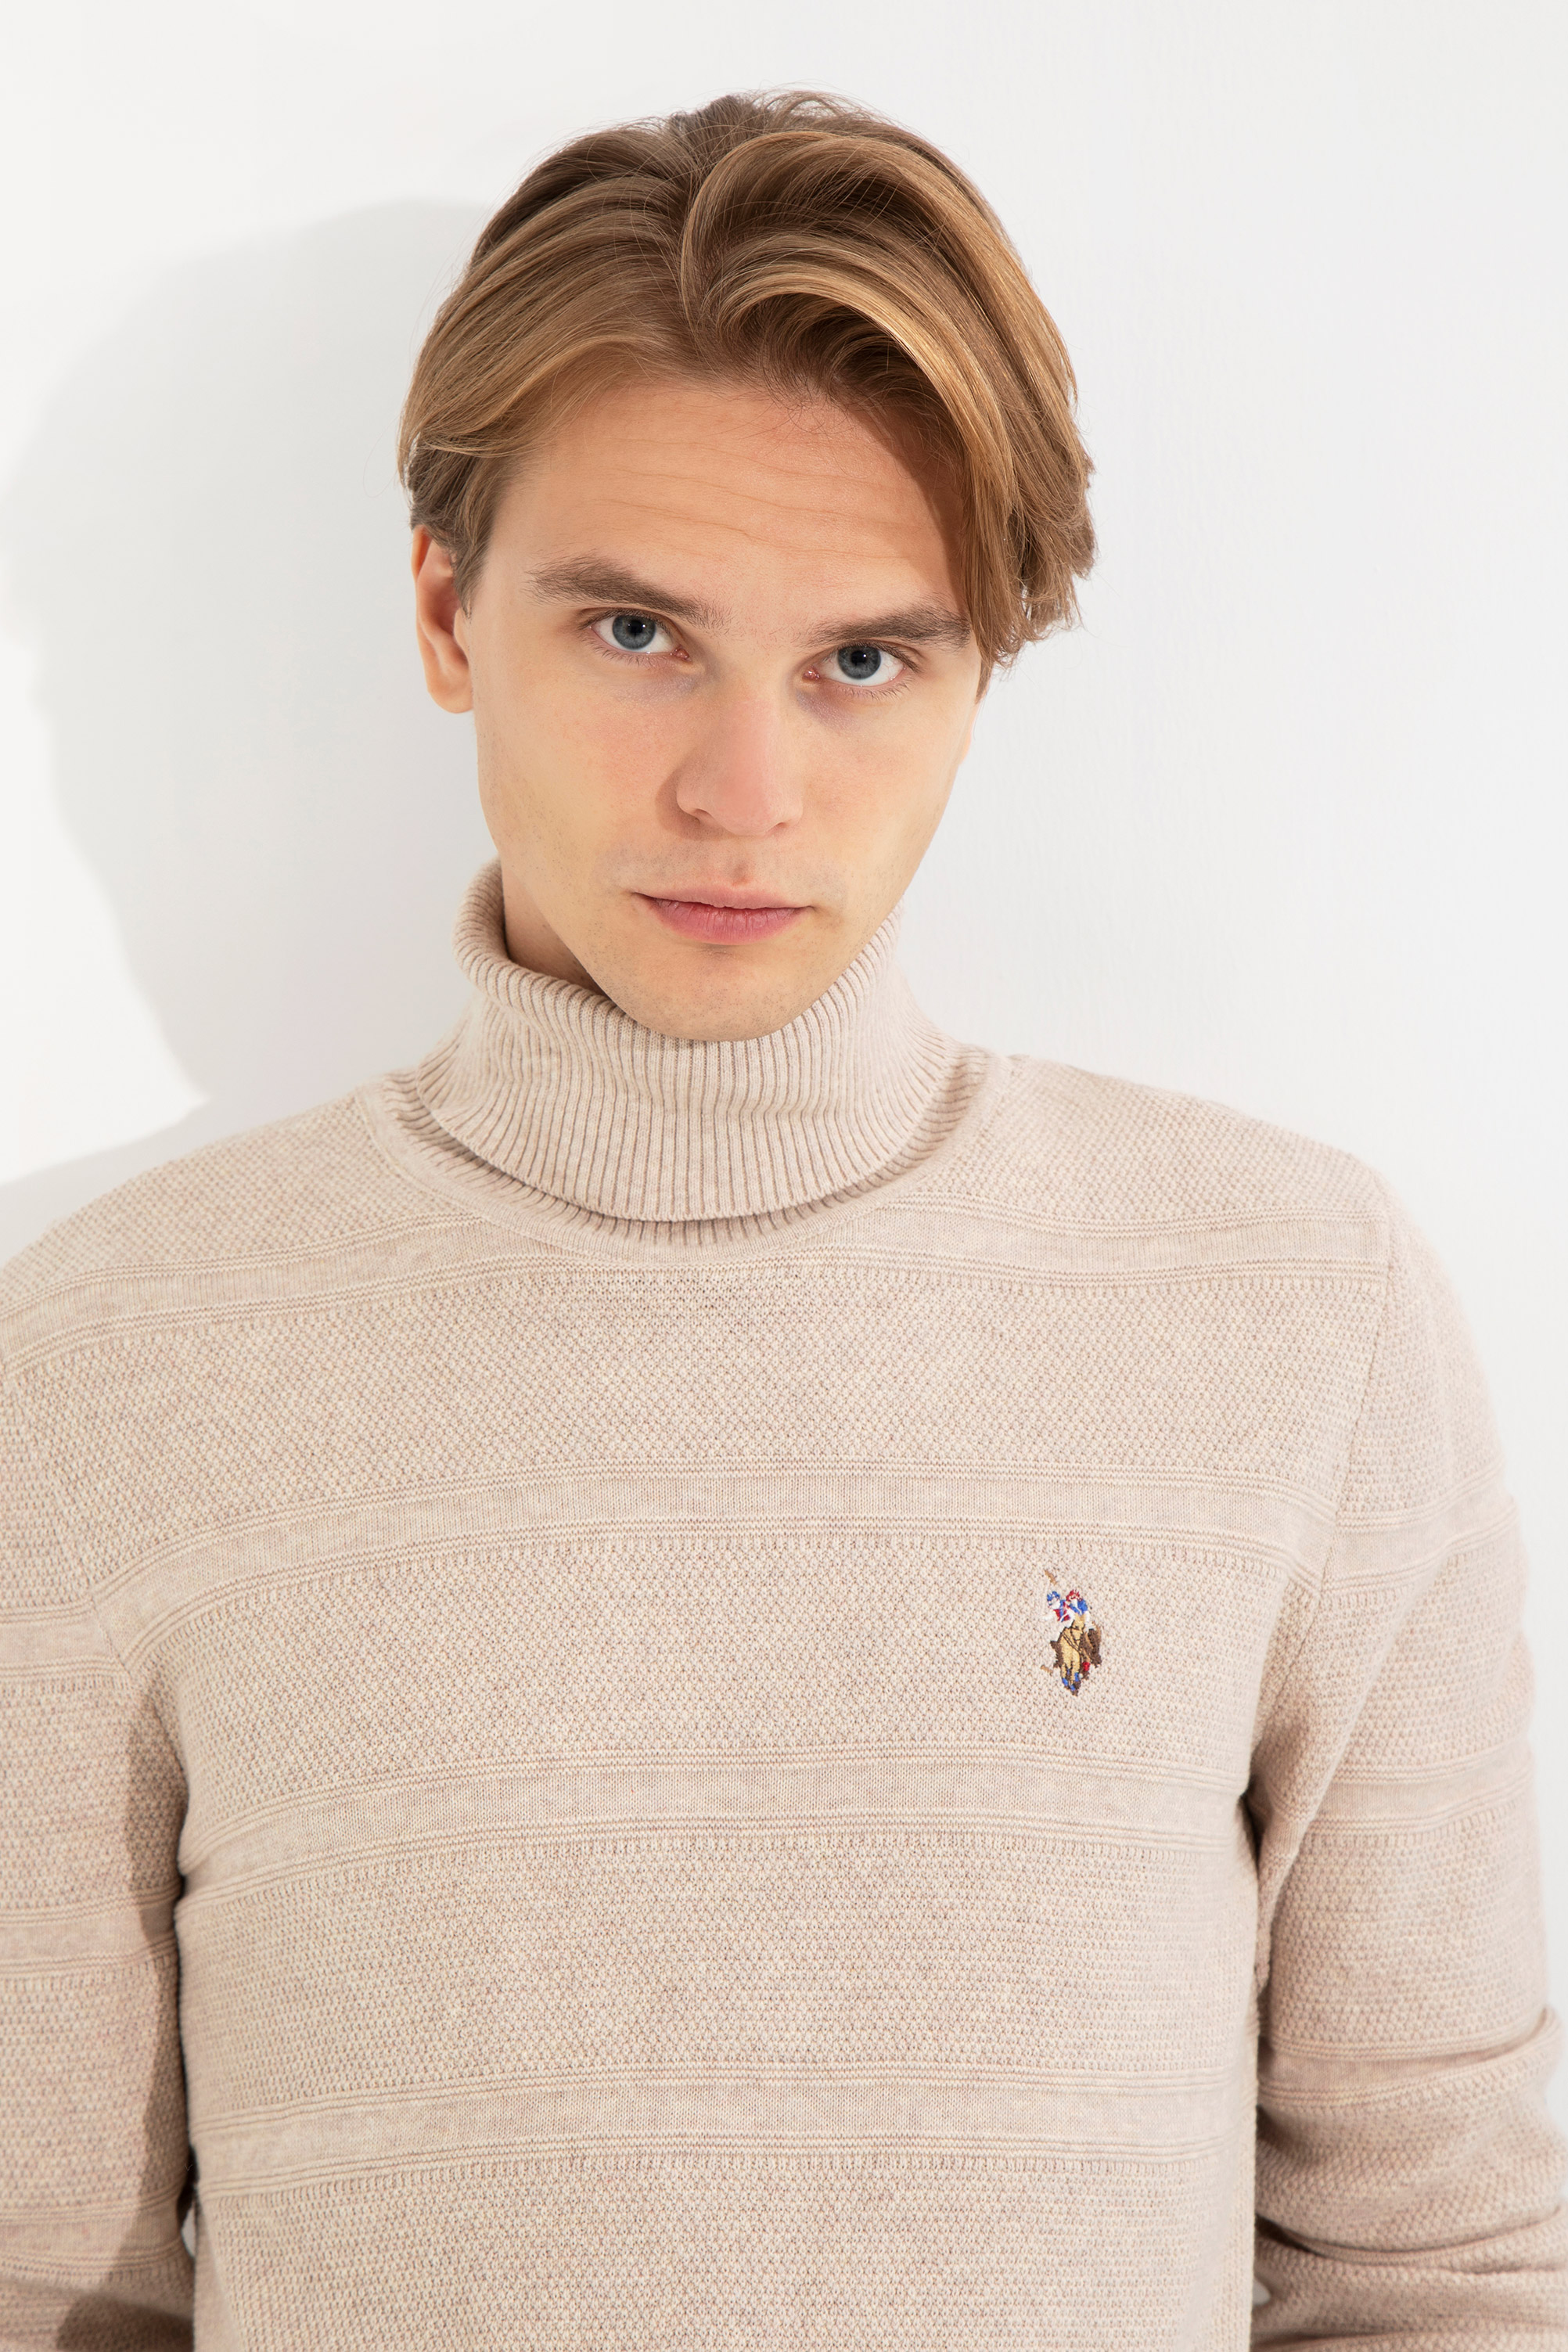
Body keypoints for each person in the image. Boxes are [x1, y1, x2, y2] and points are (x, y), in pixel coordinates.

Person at [0, 88, 1562, 2352]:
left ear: (981, 675)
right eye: (638, 631)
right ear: (446, 612)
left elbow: (1441, 2275)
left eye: (863, 661)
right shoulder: (113, 1359)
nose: (746, 794)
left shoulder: (1293, 1311)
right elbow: (40, 2284)